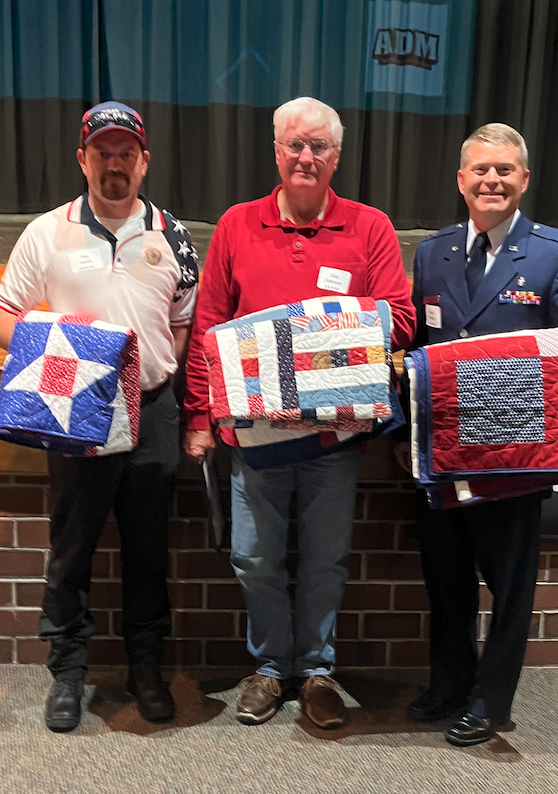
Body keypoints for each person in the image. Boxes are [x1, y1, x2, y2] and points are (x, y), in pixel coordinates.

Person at [184, 97, 416, 729]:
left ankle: (316, 671)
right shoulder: (236, 225)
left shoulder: (370, 227)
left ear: (336, 157)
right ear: (276, 150)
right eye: (295, 145)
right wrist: (200, 416)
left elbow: (400, 318)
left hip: (333, 437)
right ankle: (268, 668)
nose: (306, 157)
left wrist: (315, 335)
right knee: (253, 557)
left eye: (319, 147)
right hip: (254, 436)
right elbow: (209, 328)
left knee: (324, 560)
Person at [0, 101, 198, 732]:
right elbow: (0, 320)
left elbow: (182, 324)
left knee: (148, 550)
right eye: (102, 153)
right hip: (75, 411)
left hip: (152, 411)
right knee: (72, 548)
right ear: (83, 159)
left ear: (144, 161)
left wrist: (154, 374)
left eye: (125, 153)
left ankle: (146, 670)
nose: (114, 164)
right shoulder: (47, 232)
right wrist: (60, 345)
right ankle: (68, 673)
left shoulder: (173, 235)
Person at [396, 123, 558, 746]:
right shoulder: (432, 252)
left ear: (524, 180)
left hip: (515, 449)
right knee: (446, 576)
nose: (492, 180)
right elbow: (421, 343)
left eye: (505, 170)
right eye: (481, 170)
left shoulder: (556, 254)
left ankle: (491, 700)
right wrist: (402, 412)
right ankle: (449, 683)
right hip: (442, 448)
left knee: (509, 585)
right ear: (461, 180)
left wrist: (497, 375)